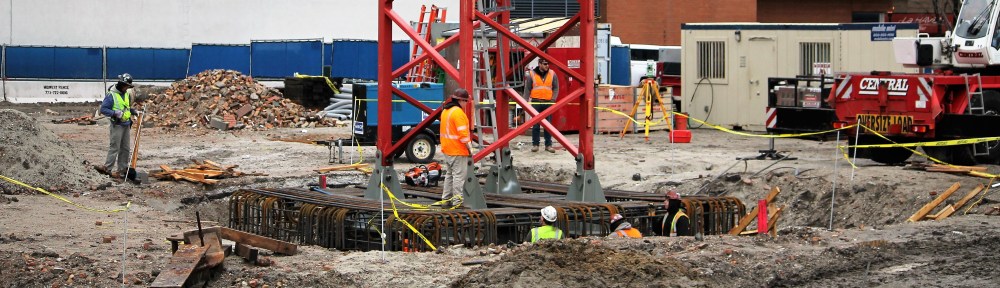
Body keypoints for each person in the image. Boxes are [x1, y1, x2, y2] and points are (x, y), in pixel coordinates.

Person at [95, 73, 137, 180]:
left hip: (126, 123)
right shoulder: (111, 95)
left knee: (125, 148)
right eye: (126, 86)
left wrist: (131, 111)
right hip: (117, 124)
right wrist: (115, 113)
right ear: (121, 84)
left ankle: (122, 170)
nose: (127, 88)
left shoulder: (126, 93)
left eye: (128, 86)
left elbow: (126, 106)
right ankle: (107, 168)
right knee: (115, 147)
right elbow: (103, 109)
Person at [439, 88, 473, 207]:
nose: (466, 104)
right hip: (457, 150)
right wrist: (470, 149)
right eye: (466, 101)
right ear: (461, 100)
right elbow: (463, 135)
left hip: (447, 149)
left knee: (449, 175)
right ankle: (457, 202)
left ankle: (446, 199)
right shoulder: (458, 113)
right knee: (459, 176)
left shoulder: (446, 111)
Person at [522, 58, 559, 153]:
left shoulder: (552, 74)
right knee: (535, 125)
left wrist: (553, 99)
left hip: (548, 102)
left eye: (548, 64)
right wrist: (524, 102)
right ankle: (535, 144)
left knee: (548, 125)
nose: (547, 66)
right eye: (545, 64)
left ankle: (548, 145)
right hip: (536, 102)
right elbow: (527, 89)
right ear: (539, 64)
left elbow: (556, 88)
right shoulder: (532, 74)